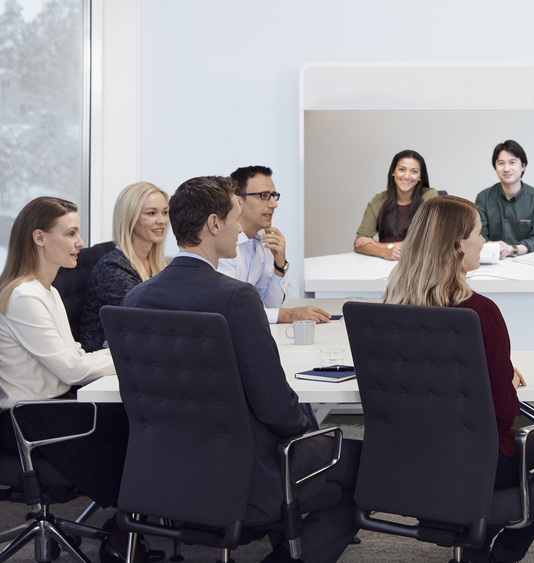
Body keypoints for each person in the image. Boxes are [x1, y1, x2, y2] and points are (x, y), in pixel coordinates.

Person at [123, 176, 361, 563]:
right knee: (362, 467)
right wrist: (310, 434)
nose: (240, 228)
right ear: (213, 225)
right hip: (245, 477)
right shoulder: (235, 297)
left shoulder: (136, 298)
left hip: (160, 473)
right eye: (234, 218)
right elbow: (275, 407)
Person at [381, 195, 534, 563]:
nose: (484, 242)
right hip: (476, 466)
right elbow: (504, 416)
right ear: (458, 245)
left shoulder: (390, 308)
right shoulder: (479, 312)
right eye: (478, 233)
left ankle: (474, 543)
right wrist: (507, 382)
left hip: (408, 462)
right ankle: (500, 554)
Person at [0, 197, 130, 552]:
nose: (81, 243)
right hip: (27, 420)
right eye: (71, 233)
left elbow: (76, 357)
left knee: (133, 419)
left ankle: (129, 524)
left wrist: (108, 357)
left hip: (51, 410)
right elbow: (73, 368)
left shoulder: (48, 291)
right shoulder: (25, 295)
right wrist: (127, 355)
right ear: (39, 238)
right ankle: (126, 527)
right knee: (131, 426)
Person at [220, 166, 329, 324]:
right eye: (264, 196)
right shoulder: (223, 245)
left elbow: (273, 305)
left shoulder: (263, 241)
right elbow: (230, 309)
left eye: (273, 196)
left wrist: (280, 265)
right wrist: (289, 315)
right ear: (238, 201)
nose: (273, 204)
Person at [79, 182, 170, 352]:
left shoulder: (158, 264)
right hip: (105, 361)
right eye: (151, 213)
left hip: (137, 354)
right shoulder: (113, 267)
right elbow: (144, 325)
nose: (162, 220)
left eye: (165, 212)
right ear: (130, 218)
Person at [353, 150, 439, 261]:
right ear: (393, 171)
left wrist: (378, 244)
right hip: (384, 265)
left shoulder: (429, 196)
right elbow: (359, 243)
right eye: (402, 169)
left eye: (414, 171)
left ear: (420, 175)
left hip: (421, 264)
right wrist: (383, 252)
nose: (407, 176)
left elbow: (428, 243)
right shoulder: (379, 201)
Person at [476, 140, 534, 258]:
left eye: (512, 162)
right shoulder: (483, 198)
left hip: (529, 262)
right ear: (495, 167)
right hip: (494, 261)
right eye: (501, 163)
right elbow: (478, 235)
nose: (506, 169)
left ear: (523, 166)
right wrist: (493, 247)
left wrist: (511, 250)